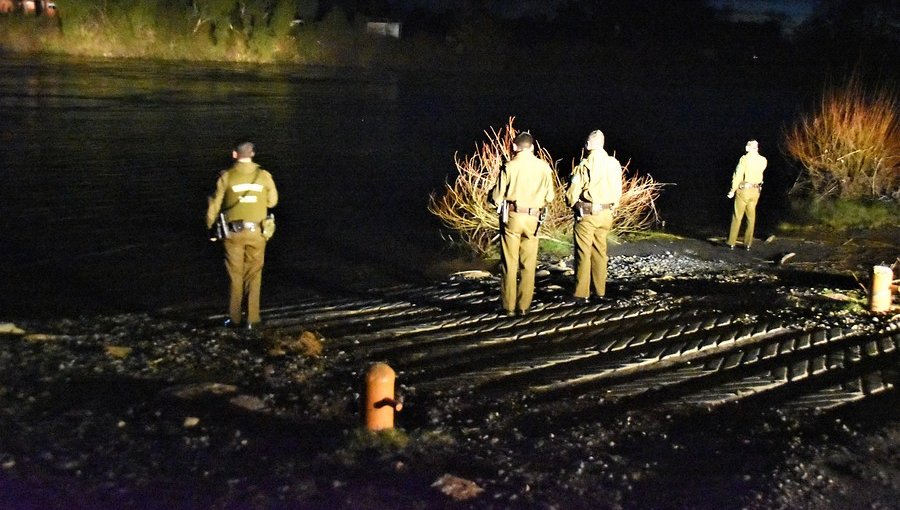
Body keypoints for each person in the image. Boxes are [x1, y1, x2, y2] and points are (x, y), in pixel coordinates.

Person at [206, 142, 278, 329]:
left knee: (234, 275)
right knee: (254, 274)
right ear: (253, 153)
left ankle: (234, 318)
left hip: (233, 234)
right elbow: (272, 202)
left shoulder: (226, 177)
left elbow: (214, 205)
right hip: (257, 232)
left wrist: (210, 227)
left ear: (234, 154)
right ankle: (253, 319)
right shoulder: (264, 176)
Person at [489, 132, 556, 316]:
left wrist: (494, 199)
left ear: (515, 147)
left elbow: (497, 197)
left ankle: (508, 306)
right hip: (534, 218)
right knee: (529, 263)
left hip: (513, 217)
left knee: (510, 262)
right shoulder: (544, 167)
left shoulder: (509, 167)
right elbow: (550, 196)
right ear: (532, 147)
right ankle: (524, 305)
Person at [565, 130, 623, 303]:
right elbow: (618, 189)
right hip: (607, 213)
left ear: (588, 145)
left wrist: (571, 203)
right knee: (600, 252)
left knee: (583, 252)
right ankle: (600, 291)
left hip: (588, 214)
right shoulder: (614, 164)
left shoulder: (585, 165)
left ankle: (581, 293)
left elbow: (572, 193)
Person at [726, 139, 767, 250]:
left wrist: (732, 190)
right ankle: (748, 244)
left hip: (744, 190)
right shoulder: (763, 160)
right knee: (751, 217)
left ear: (747, 148)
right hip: (756, 191)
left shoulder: (744, 159)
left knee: (737, 216)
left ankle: (731, 242)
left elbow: (738, 175)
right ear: (757, 148)